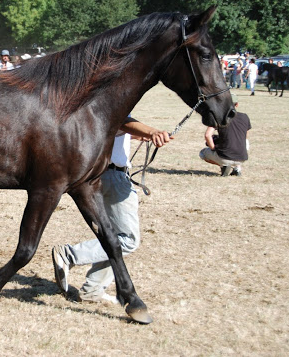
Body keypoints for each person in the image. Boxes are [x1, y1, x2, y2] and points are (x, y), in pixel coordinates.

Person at [52, 117, 172, 303]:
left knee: (114, 235)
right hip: (113, 175)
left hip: (107, 173)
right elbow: (120, 121)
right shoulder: (117, 94)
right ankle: (70, 254)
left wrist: (137, 135)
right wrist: (151, 131)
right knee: (128, 240)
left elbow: (113, 129)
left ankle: (93, 290)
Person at [199, 101, 251, 176]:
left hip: (224, 156)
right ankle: (237, 167)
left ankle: (224, 165)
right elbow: (245, 137)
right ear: (237, 104)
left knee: (202, 153)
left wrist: (213, 149)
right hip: (242, 157)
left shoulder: (218, 117)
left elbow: (207, 135)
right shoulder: (245, 116)